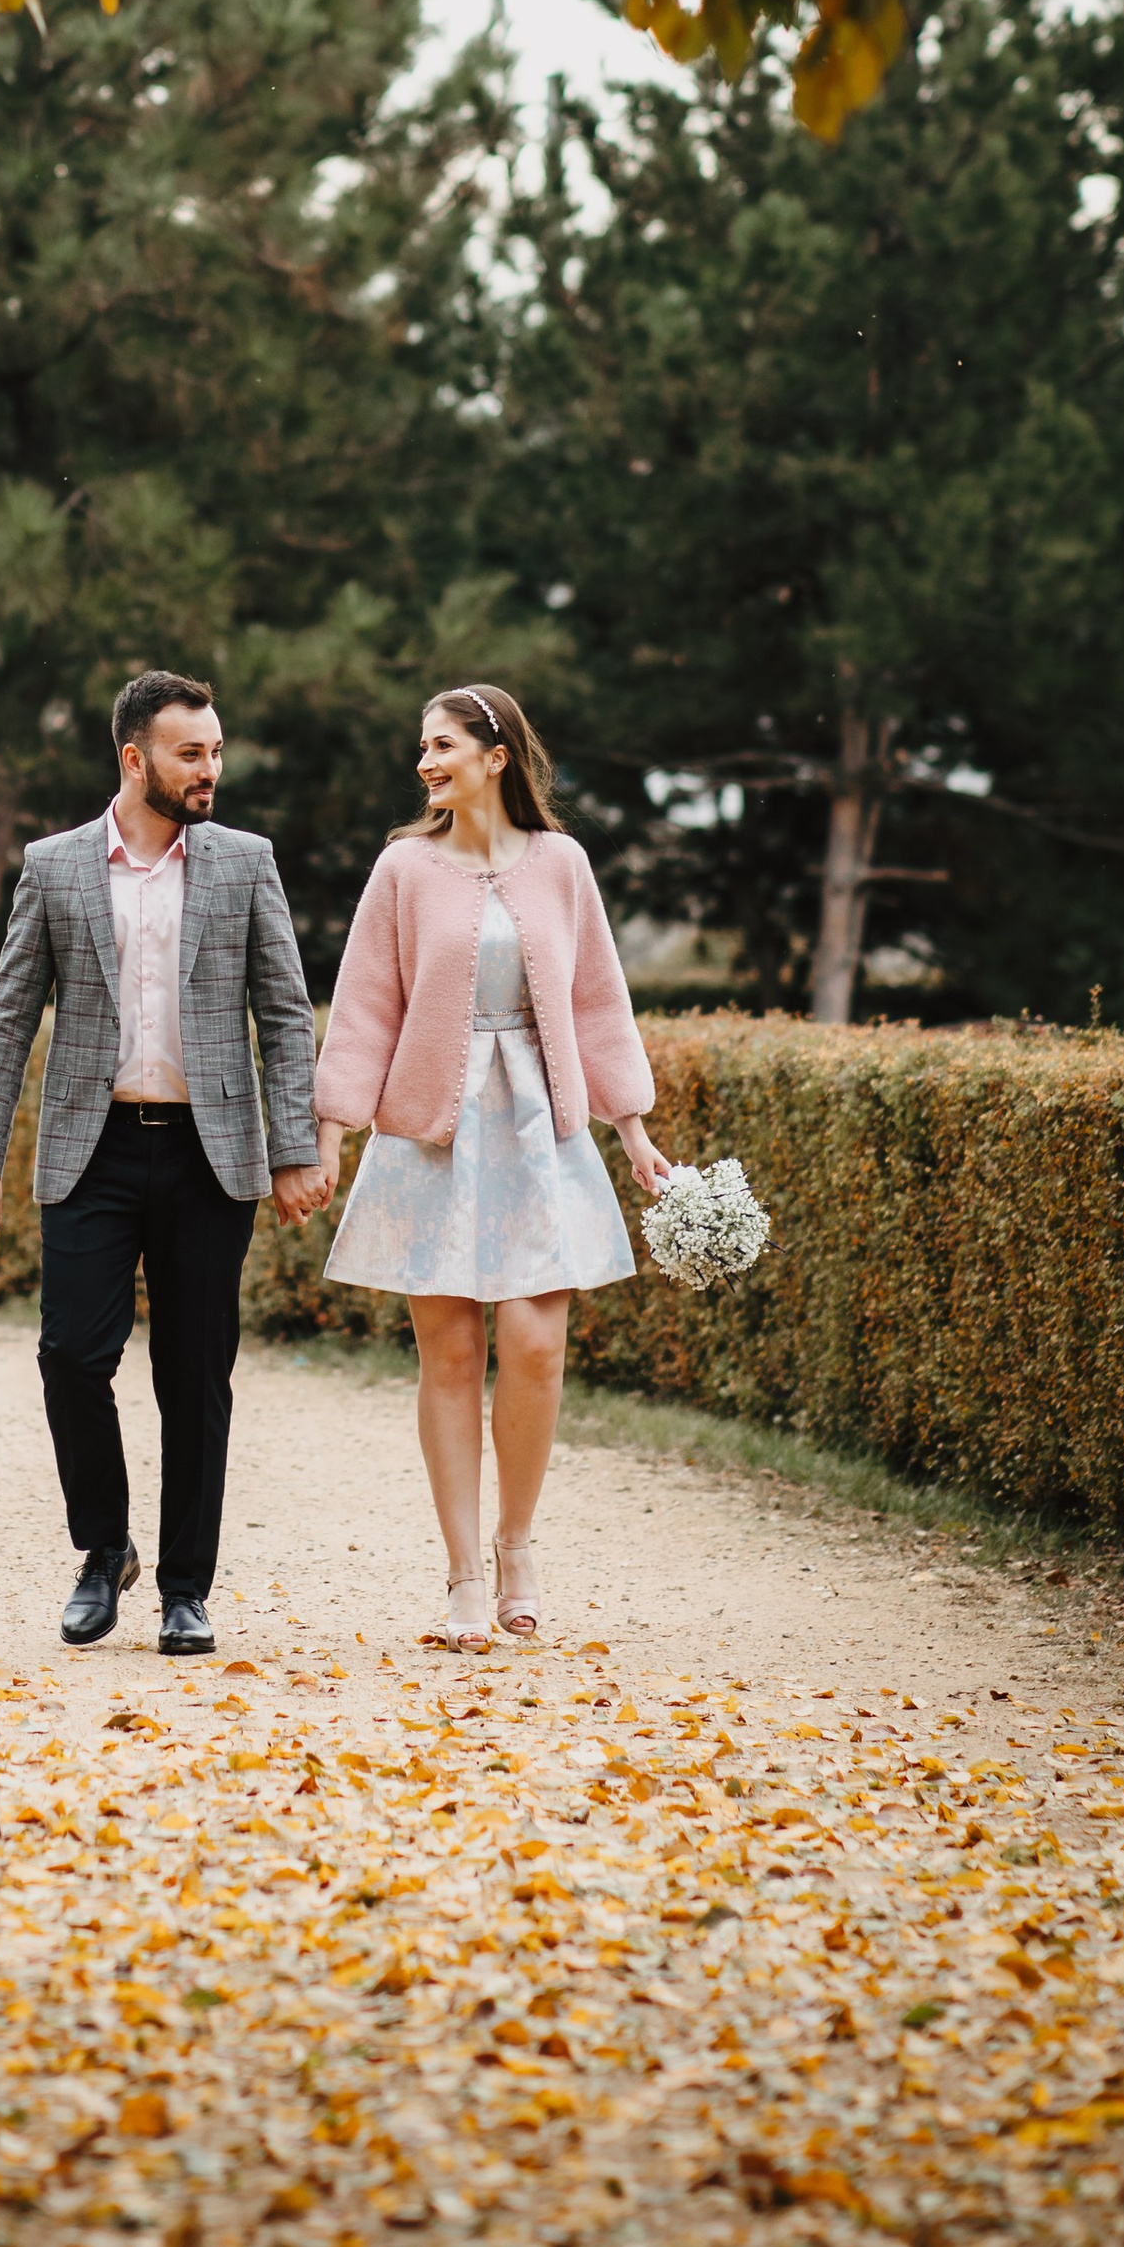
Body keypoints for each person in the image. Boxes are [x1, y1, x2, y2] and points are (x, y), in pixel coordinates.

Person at [0, 669, 323, 1658]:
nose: (209, 771)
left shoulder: (246, 863)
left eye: (215, 752)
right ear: (134, 759)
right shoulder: (55, 867)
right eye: (189, 754)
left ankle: (184, 1591)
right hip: (94, 1149)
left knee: (193, 1375)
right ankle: (103, 1548)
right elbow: (8, 1017)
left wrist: (293, 1147)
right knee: (70, 1356)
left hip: (211, 1153)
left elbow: (285, 1013)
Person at [313, 684, 672, 1651]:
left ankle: (518, 1546)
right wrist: (334, 1128)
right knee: (451, 1356)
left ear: (496, 756)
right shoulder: (403, 868)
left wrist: (632, 1129)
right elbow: (366, 1006)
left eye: (442, 745)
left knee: (537, 1344)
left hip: (539, 1131)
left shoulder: (562, 864)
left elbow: (598, 1001)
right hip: (431, 1133)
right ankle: (465, 1573)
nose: (425, 762)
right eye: (422, 747)